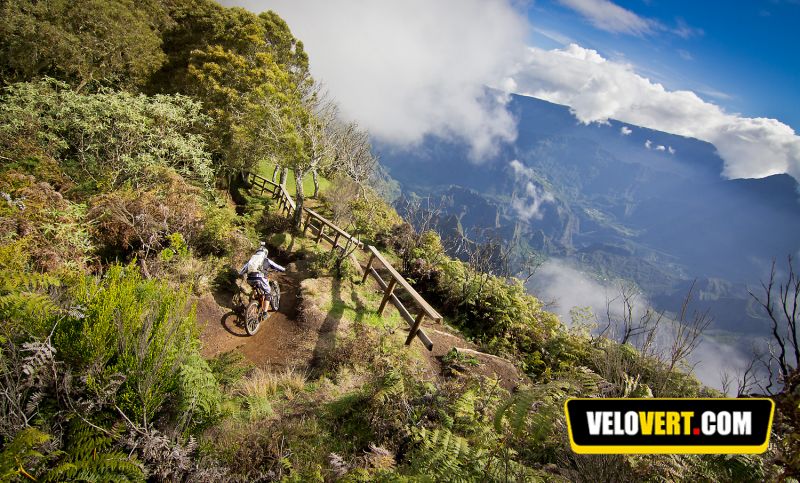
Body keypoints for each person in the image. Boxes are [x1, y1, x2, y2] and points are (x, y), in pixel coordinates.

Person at [239, 242, 285, 312]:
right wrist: (284, 269)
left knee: (255, 287)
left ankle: (255, 301)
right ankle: (265, 312)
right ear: (265, 253)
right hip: (260, 278)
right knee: (268, 293)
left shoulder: (251, 260)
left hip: (250, 279)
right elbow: (277, 266)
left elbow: (241, 271)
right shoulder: (267, 260)